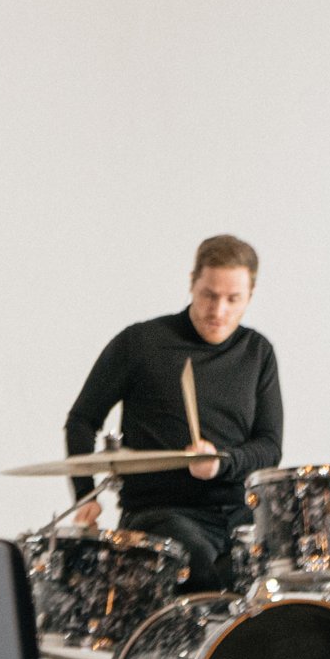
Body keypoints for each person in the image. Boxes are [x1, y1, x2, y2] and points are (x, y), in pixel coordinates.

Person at [64, 235, 281, 590]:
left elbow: (270, 445)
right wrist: (85, 495)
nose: (219, 310)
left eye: (233, 299)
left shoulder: (257, 352)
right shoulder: (141, 343)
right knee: (196, 566)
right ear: (193, 282)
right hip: (160, 514)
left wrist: (221, 463)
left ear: (250, 296)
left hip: (237, 514)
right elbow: (82, 420)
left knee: (307, 572)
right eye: (209, 294)